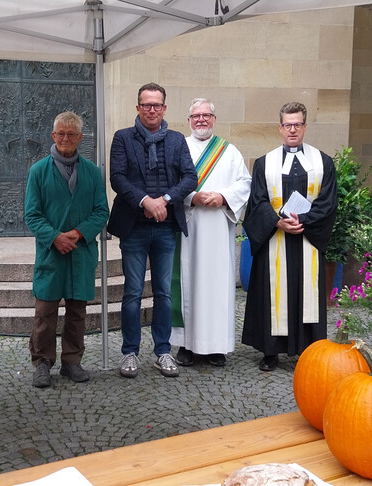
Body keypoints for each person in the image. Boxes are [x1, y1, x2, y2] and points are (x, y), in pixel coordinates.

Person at [108, 82, 197, 379]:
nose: (151, 110)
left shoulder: (176, 140)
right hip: (133, 227)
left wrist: (165, 200)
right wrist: (145, 200)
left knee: (164, 293)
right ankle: (130, 352)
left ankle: (162, 351)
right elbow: (118, 178)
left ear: (164, 108)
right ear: (138, 108)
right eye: (146, 104)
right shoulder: (122, 138)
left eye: (157, 105)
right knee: (132, 292)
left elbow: (190, 178)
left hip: (165, 227)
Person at [241, 102, 337, 371]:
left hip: (308, 238)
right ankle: (271, 352)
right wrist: (277, 222)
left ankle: (308, 352)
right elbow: (257, 201)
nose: (292, 130)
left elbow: (328, 202)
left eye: (297, 124)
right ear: (280, 128)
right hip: (275, 239)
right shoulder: (264, 163)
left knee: (306, 294)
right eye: (287, 125)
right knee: (273, 294)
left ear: (304, 126)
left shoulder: (323, 162)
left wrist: (303, 220)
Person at [24, 111, 109, 388]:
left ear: (80, 138)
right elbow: (32, 214)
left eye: (71, 134)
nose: (65, 138)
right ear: (53, 135)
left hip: (81, 253)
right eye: (60, 133)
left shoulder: (92, 172)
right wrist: (54, 237)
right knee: (45, 312)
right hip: (51, 253)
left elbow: (101, 211)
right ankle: (42, 362)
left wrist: (78, 233)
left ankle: (72, 361)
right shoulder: (38, 171)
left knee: (77, 312)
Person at [171, 99, 251, 368]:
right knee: (188, 283)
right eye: (196, 116)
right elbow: (169, 183)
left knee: (217, 286)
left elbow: (245, 183)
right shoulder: (178, 148)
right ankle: (186, 345)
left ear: (214, 119)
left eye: (206, 115)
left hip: (218, 228)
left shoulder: (229, 151)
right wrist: (191, 197)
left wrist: (223, 197)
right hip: (188, 228)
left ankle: (217, 346)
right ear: (189, 120)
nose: (201, 120)